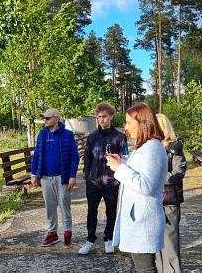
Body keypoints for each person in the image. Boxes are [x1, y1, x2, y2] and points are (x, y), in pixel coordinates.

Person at [107, 103, 167, 272]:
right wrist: (122, 162)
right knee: (140, 267)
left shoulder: (153, 148)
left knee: (145, 268)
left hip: (143, 221)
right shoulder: (146, 146)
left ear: (141, 123)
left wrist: (119, 168)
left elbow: (146, 185)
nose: (125, 127)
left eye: (128, 122)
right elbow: (140, 172)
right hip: (139, 219)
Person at [78, 102, 128, 255]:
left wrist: (118, 179)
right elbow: (87, 158)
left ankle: (109, 240)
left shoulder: (119, 137)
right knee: (91, 211)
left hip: (111, 183)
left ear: (111, 116)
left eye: (104, 116)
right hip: (93, 182)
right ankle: (90, 241)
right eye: (99, 117)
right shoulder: (92, 137)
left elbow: (125, 158)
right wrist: (87, 176)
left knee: (111, 211)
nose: (102, 119)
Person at [30, 108, 80, 248]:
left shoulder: (68, 135)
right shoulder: (41, 134)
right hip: (46, 178)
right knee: (50, 207)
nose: (45, 120)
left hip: (62, 177)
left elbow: (75, 157)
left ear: (56, 119)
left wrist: (72, 176)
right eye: (44, 118)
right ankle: (52, 234)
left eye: (47, 118)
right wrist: (33, 174)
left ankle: (67, 234)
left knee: (65, 206)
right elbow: (37, 156)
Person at [155, 114, 187, 273]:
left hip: (169, 201)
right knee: (155, 245)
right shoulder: (150, 146)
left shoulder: (175, 148)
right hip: (153, 201)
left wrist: (155, 177)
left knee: (170, 245)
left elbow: (177, 174)